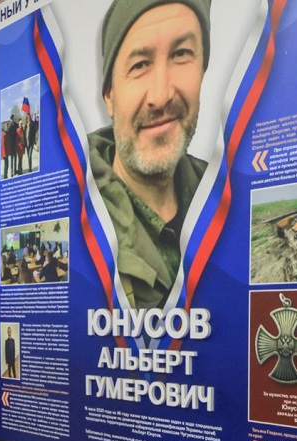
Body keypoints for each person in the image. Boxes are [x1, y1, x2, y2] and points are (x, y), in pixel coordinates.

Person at [87, 0, 210, 308]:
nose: (161, 95)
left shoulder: (227, 198)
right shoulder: (75, 218)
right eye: (140, 65)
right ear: (109, 96)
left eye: (181, 54)